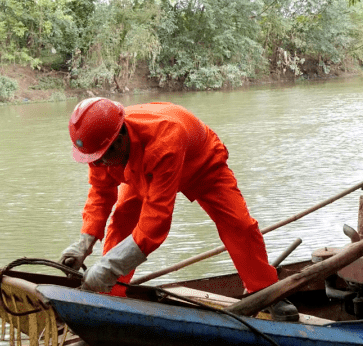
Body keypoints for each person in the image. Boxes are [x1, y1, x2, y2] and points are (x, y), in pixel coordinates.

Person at [59, 97, 299, 322]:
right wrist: (84, 243)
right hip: (143, 170)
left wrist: (108, 266)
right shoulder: (101, 146)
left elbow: (155, 224)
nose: (97, 164)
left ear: (119, 139)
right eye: (94, 159)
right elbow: (100, 194)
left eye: (100, 158)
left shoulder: (164, 138)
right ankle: (110, 293)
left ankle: (266, 291)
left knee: (239, 225)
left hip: (201, 164)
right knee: (122, 220)